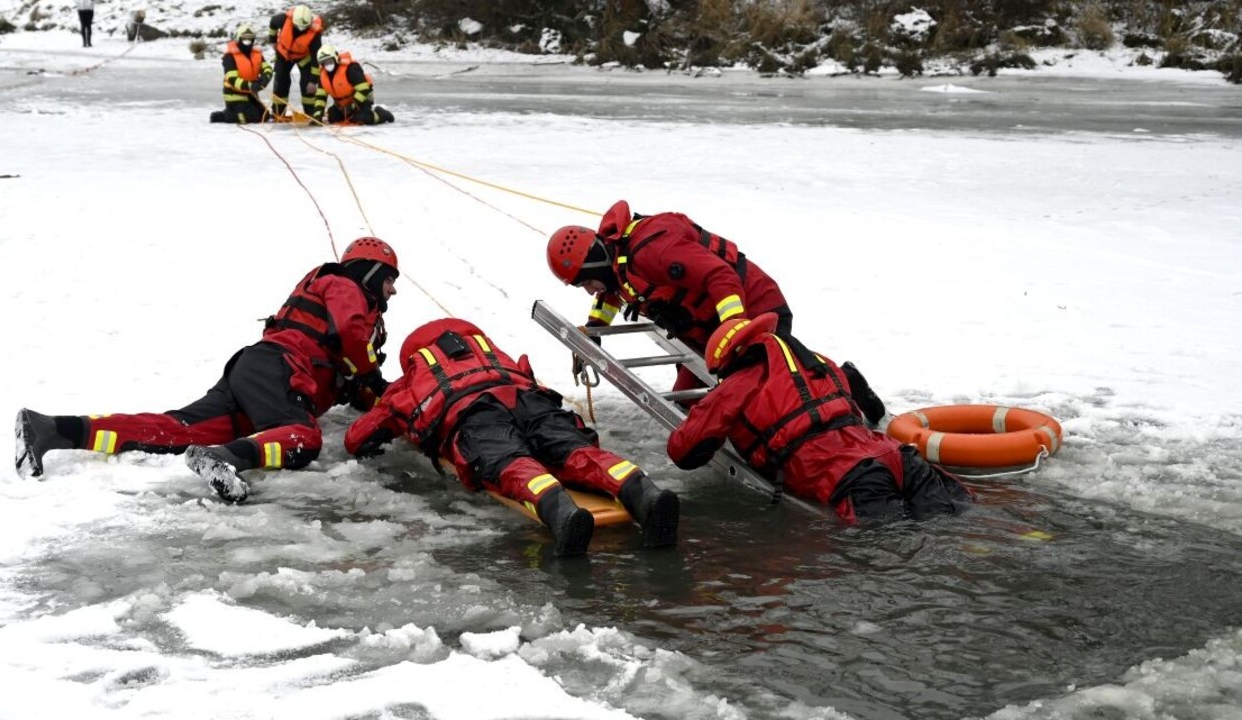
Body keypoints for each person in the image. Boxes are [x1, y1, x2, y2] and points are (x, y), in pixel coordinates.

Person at [15, 237, 399, 504]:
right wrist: (368, 372)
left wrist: (379, 394)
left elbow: (354, 376)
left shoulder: (342, 314)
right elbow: (349, 333)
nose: (392, 292)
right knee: (304, 438)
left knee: (175, 429)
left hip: (255, 373)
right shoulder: (345, 284)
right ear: (369, 271)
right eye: (389, 281)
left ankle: (51, 429)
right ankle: (225, 459)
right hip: (280, 368)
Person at [344, 318, 679, 556]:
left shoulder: (413, 377)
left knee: (508, 461)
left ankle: (559, 511)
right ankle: (643, 490)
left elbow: (359, 438)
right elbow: (528, 373)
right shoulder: (495, 354)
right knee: (572, 450)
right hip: (529, 399)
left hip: (472, 414)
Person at [546, 200, 885, 424]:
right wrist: (594, 330)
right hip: (706, 334)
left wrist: (735, 332)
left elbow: (719, 276)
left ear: (597, 262)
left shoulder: (652, 250)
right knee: (689, 402)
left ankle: (844, 381)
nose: (590, 291)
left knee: (779, 382)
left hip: (756, 307)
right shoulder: (617, 264)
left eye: (586, 282)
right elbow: (613, 292)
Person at [666, 314, 972, 524]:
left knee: (889, 552)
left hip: (853, 479)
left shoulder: (737, 385)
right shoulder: (820, 363)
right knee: (961, 521)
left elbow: (683, 450)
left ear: (729, 361)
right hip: (899, 456)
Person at [267, 4, 324, 121]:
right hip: (284, 54)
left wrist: (313, 81)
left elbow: (315, 60)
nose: (300, 28)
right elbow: (272, 23)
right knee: (281, 80)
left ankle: (311, 114)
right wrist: (272, 41)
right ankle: (278, 113)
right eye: (297, 25)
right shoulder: (282, 19)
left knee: (307, 85)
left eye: (304, 26)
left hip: (303, 57)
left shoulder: (315, 35)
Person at [210, 24, 274, 124]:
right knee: (254, 117)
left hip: (250, 94)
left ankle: (241, 110)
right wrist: (251, 85)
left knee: (264, 116)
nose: (247, 42)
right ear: (238, 39)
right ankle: (225, 115)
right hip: (234, 94)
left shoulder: (257, 54)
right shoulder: (230, 57)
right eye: (244, 39)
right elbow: (232, 79)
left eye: (250, 39)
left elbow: (267, 68)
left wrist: (265, 78)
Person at [314, 45, 394, 126]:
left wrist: (352, 106)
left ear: (335, 58)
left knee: (360, 118)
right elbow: (320, 97)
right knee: (333, 117)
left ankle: (381, 114)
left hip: (362, 99)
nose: (328, 64)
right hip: (342, 105)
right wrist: (317, 114)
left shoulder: (351, 69)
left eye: (329, 61)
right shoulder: (323, 76)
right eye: (324, 62)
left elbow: (363, 90)